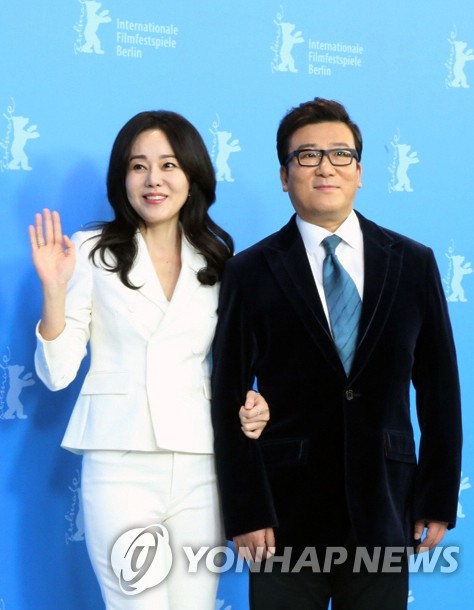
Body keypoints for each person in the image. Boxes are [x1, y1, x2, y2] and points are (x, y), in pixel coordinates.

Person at [211, 98, 462, 610]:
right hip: (284, 516)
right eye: (307, 155)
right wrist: (247, 510)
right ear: (284, 176)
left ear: (360, 172)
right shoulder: (249, 271)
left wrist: (437, 498)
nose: (325, 167)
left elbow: (440, 390)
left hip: (384, 507)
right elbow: (227, 396)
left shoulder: (413, 263)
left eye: (340, 154)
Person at [29, 110, 269, 610]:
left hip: (201, 461)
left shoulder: (220, 260)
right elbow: (56, 374)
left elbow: (234, 363)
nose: (153, 179)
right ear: (122, 178)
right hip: (120, 460)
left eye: (168, 165)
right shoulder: (91, 251)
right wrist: (54, 291)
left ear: (192, 176)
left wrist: (256, 401)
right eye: (138, 166)